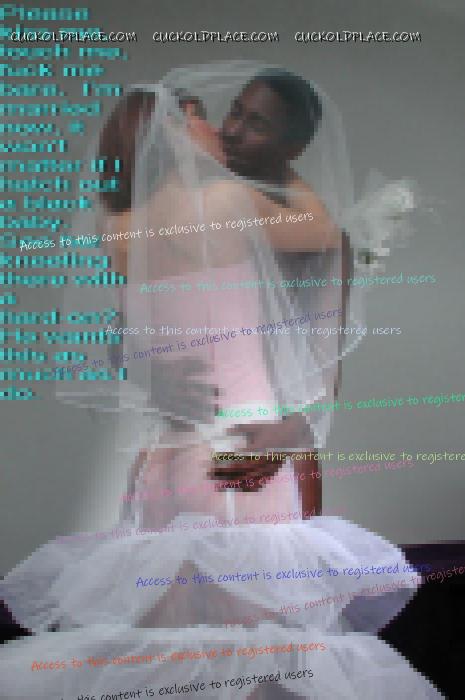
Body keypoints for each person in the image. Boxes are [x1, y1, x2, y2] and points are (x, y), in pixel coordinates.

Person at [0, 62, 438, 700]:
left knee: (169, 653)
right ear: (174, 134)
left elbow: (128, 339)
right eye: (203, 118)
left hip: (161, 464)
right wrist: (287, 163)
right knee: (258, 656)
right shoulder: (226, 202)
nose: (222, 130)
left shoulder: (117, 226)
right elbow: (323, 231)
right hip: (237, 450)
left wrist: (153, 377)